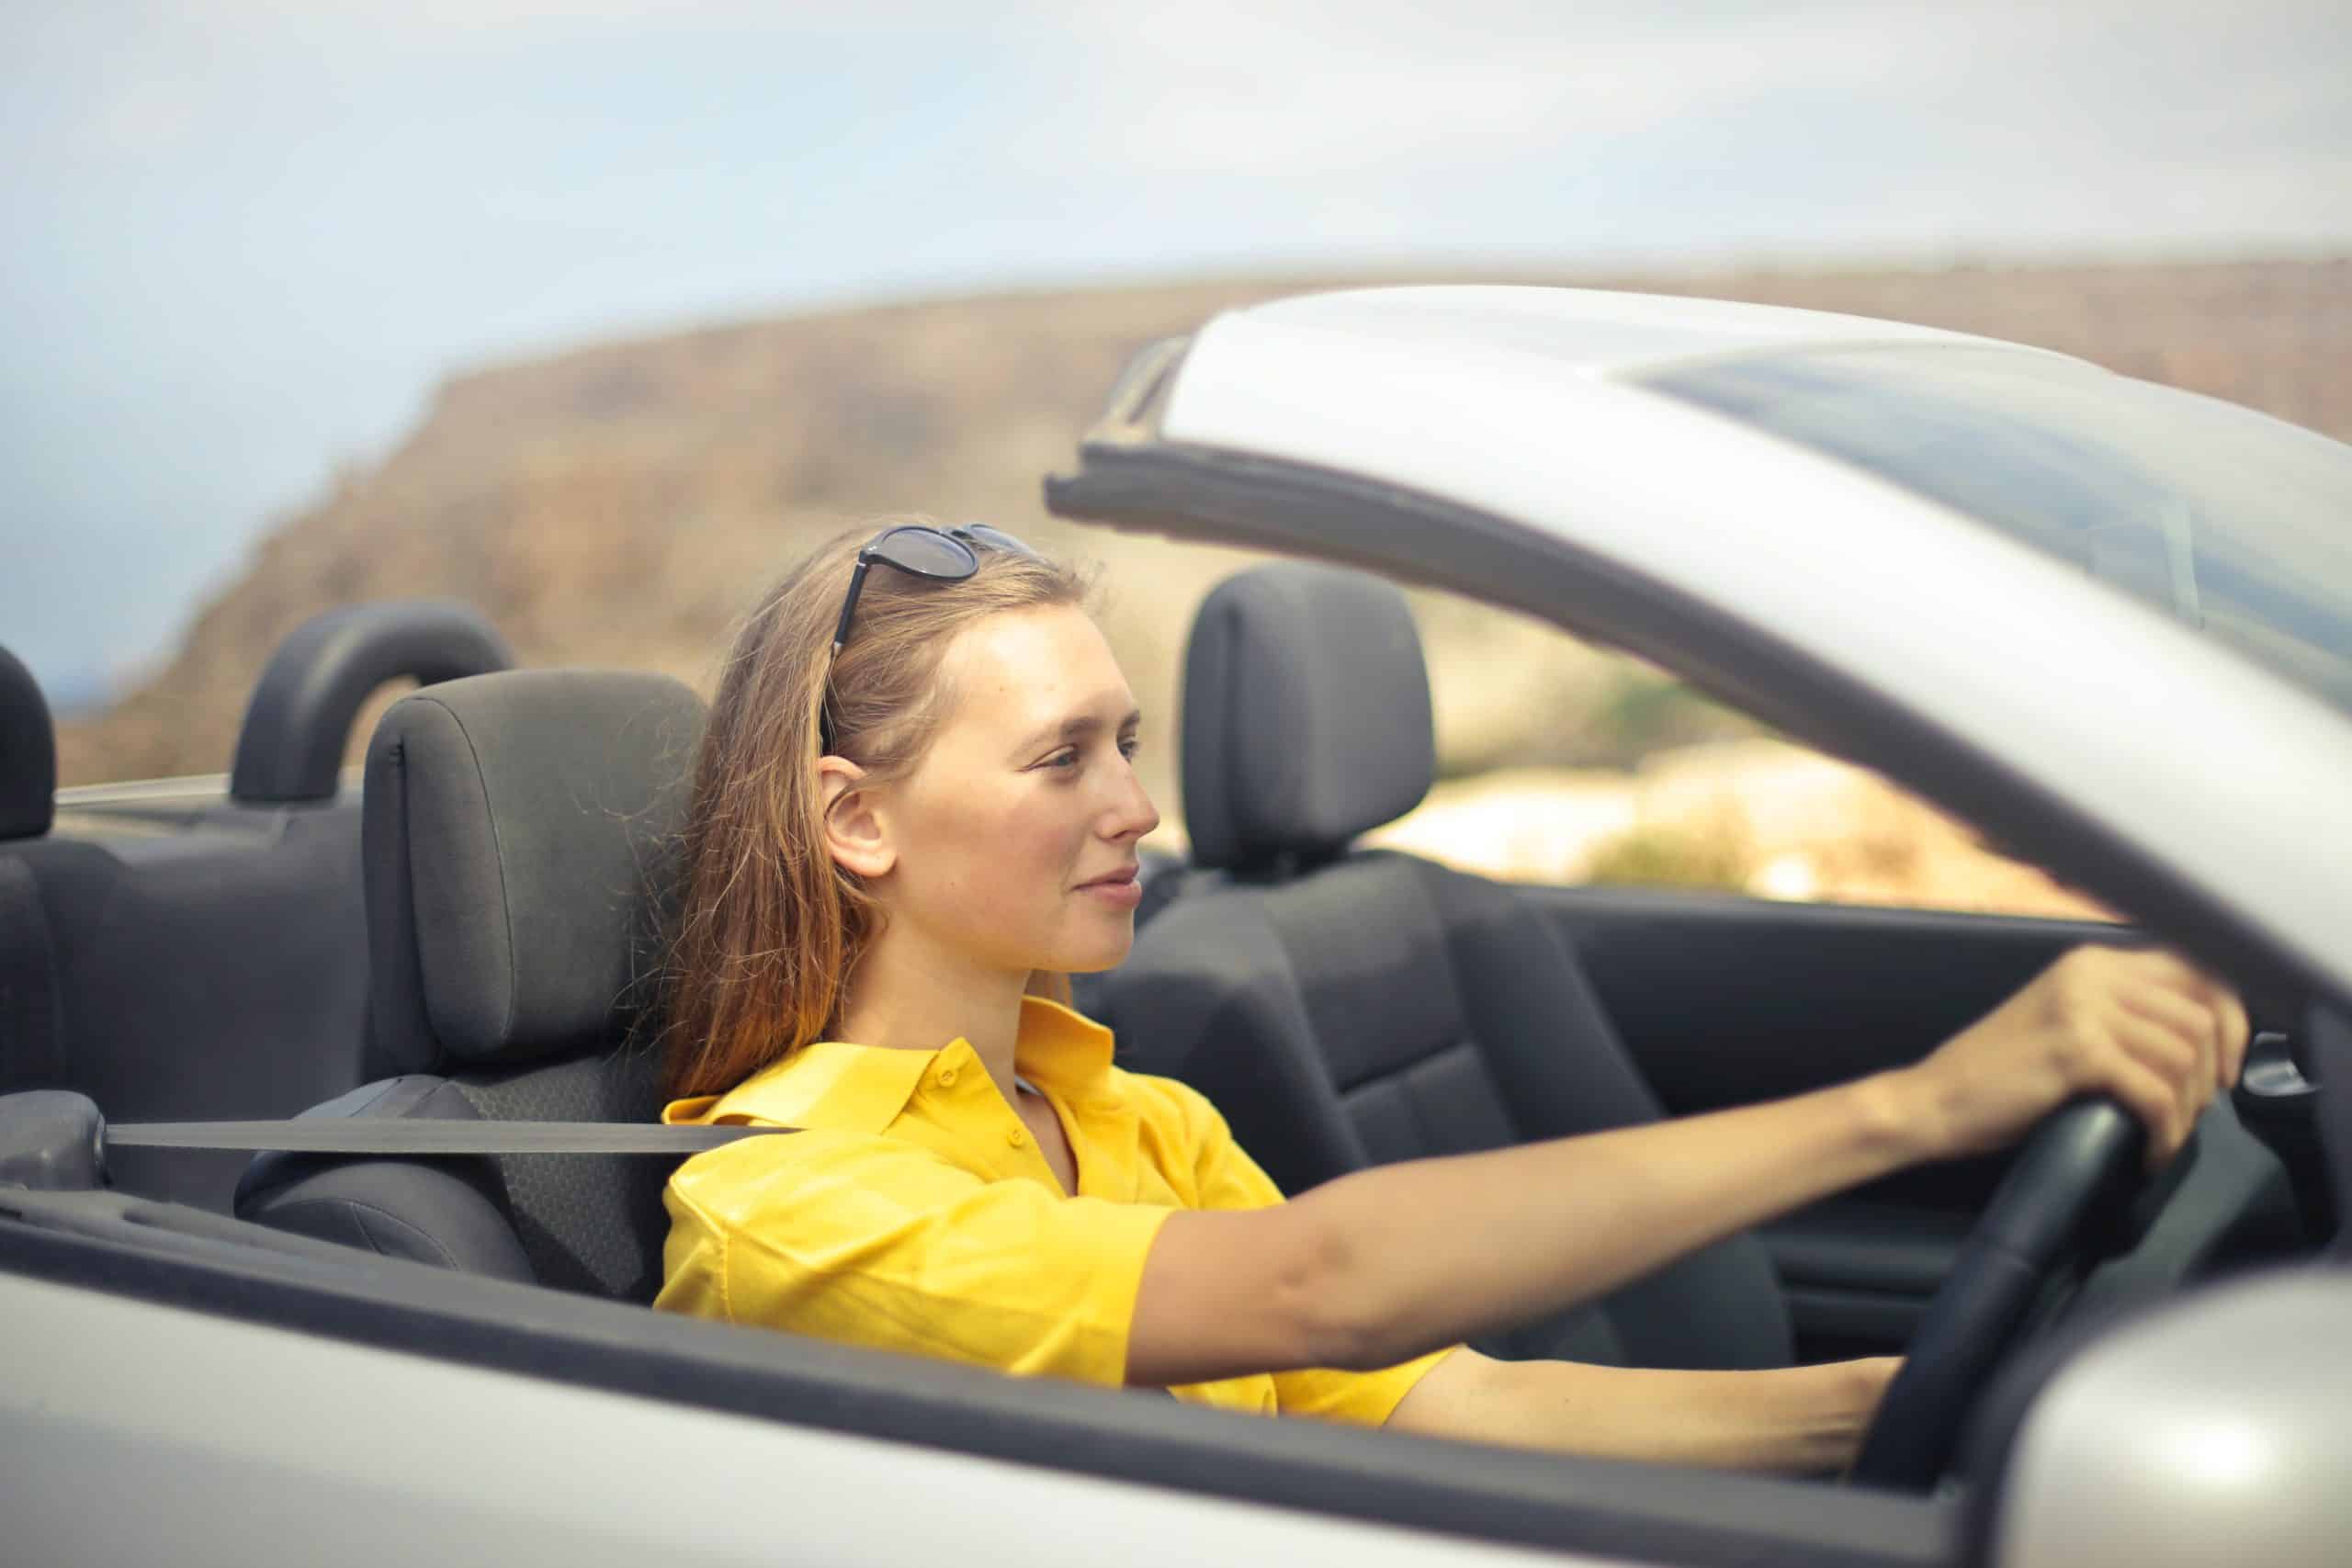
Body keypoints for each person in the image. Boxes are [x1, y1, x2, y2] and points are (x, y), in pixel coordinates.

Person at [651, 521, 2247, 1473]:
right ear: (856, 818)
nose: (1137, 807)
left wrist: (1927, 1409)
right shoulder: (791, 1207)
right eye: (1062, 757)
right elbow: (1317, 1287)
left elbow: (1452, 1405)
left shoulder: (1134, 1119)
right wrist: (1914, 1109)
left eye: (1128, 743)